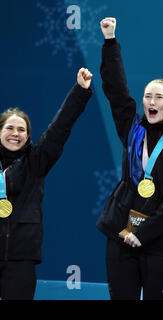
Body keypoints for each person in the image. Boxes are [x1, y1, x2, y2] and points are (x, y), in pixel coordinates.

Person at [97, 18, 163, 300]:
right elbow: (117, 92)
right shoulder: (134, 131)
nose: (151, 102)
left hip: (159, 242)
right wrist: (110, 41)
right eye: (147, 96)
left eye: (158, 97)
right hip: (121, 233)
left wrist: (145, 232)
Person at [0, 68, 93, 300]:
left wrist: (79, 92)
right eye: (9, 128)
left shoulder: (36, 163)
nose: (15, 133)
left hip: (21, 258)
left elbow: (59, 129)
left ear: (28, 137)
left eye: (21, 130)